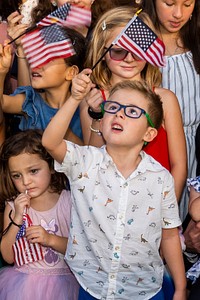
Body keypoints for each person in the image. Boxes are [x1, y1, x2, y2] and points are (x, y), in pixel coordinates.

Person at [42, 70, 187, 300]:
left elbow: (169, 236)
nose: (119, 115)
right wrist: (74, 98)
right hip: (93, 286)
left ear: (149, 133)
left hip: (143, 291)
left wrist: (180, 287)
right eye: (113, 108)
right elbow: (50, 141)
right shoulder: (85, 162)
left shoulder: (161, 178)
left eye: (131, 112)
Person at [81, 6, 187, 203]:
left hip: (155, 203)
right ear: (102, 52)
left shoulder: (165, 99)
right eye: (119, 51)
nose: (129, 58)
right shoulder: (94, 99)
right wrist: (97, 115)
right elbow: (91, 159)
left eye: (138, 50)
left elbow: (179, 164)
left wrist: (168, 213)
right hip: (108, 205)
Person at [0, 129, 79, 300]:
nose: (25, 181)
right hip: (22, 286)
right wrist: (17, 218)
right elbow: (7, 257)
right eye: (17, 176)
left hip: (63, 285)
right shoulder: (13, 206)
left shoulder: (68, 201)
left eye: (33, 171)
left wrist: (50, 239)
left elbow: (80, 250)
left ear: (51, 167)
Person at [142, 0, 200, 222]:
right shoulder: (139, 42)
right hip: (157, 145)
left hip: (197, 145)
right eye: (169, 3)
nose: (178, 14)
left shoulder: (196, 39)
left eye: (187, 4)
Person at [0, 26, 86, 142]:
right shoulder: (31, 100)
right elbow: (3, 104)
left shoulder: (84, 108)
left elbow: (90, 154)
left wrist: (65, 133)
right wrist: (1, 72)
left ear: (71, 72)